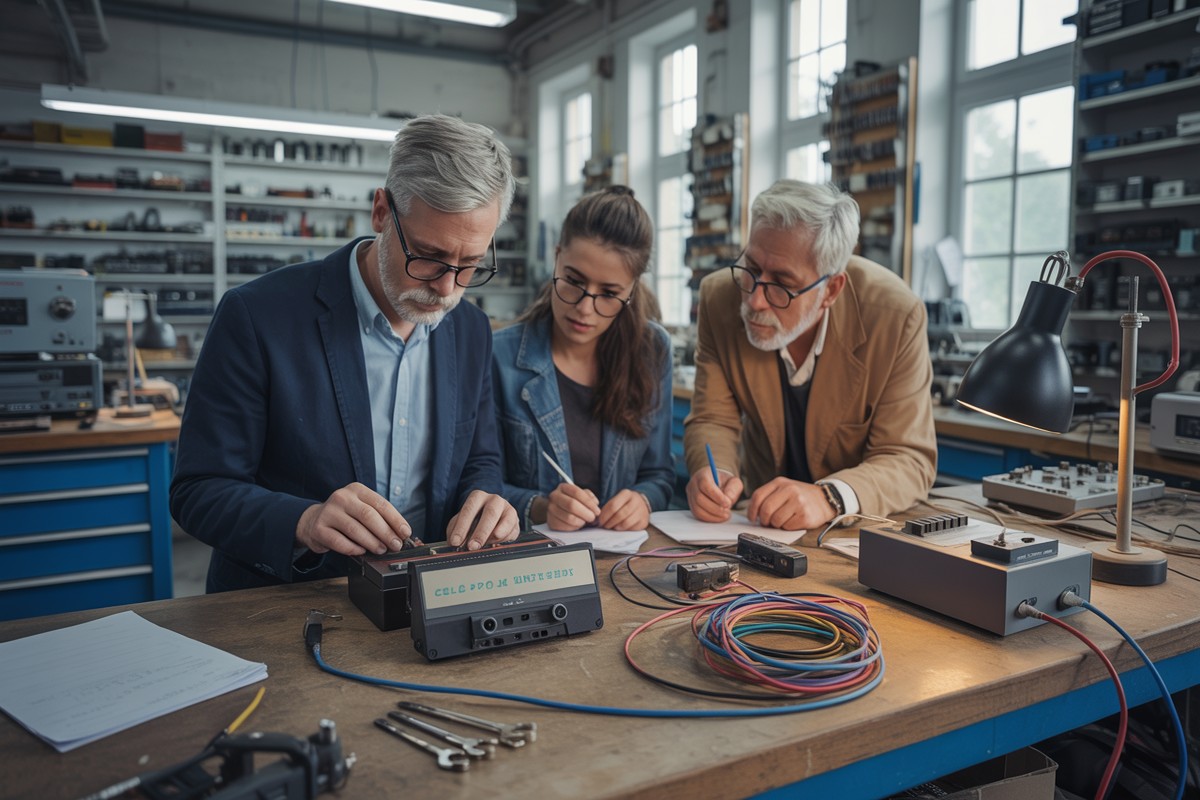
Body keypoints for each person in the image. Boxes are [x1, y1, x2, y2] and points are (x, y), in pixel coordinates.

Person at [171, 114, 521, 593]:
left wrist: (488, 500)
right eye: (427, 255)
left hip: (429, 599)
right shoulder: (256, 316)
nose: (446, 288)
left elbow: (479, 459)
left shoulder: (472, 329)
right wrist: (304, 521)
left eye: (470, 264)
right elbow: (199, 490)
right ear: (381, 211)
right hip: (287, 604)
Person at [683, 179, 936, 531]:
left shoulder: (895, 316)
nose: (754, 300)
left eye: (782, 284)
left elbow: (908, 458)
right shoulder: (718, 298)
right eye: (752, 269)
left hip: (855, 529)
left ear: (831, 290)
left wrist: (830, 498)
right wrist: (715, 474)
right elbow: (713, 418)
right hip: (759, 524)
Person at [491, 186, 674, 532]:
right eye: (574, 281)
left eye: (609, 294)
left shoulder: (653, 350)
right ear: (557, 256)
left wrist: (643, 500)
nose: (584, 308)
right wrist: (542, 508)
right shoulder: (499, 357)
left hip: (622, 562)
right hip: (534, 563)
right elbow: (479, 485)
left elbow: (660, 475)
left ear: (632, 288)